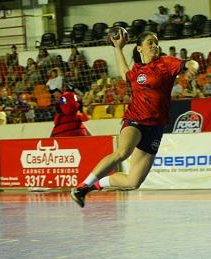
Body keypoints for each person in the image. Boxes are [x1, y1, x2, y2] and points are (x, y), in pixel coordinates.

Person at [70, 30, 199, 207]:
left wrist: (193, 68)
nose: (155, 46)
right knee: (123, 153)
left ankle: (93, 186)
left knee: (133, 182)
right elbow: (124, 73)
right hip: (135, 120)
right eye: (150, 43)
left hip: (156, 126)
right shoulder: (137, 70)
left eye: (156, 42)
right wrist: (118, 48)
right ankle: (83, 185)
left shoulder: (166, 63)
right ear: (139, 48)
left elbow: (191, 63)